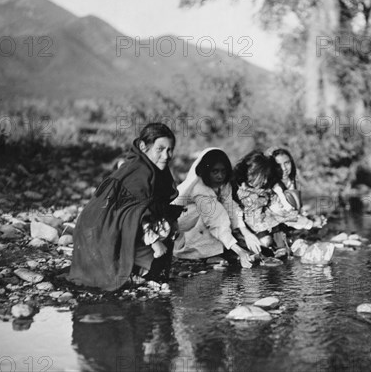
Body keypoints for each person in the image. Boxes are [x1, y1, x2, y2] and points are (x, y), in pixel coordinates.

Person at [68, 123, 182, 291]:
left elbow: (156, 205)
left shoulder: (152, 168)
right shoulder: (139, 172)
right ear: (143, 147)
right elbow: (134, 212)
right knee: (159, 248)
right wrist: (155, 242)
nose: (166, 156)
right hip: (99, 233)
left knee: (167, 227)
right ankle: (132, 266)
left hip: (112, 227)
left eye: (170, 149)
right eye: (160, 149)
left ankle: (138, 265)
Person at [173, 148, 256, 268]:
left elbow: (230, 206)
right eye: (215, 171)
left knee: (225, 208)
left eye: (223, 171)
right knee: (210, 211)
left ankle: (221, 248)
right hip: (182, 226)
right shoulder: (199, 187)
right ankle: (198, 253)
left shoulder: (223, 184)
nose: (220, 176)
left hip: (209, 221)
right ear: (206, 171)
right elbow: (216, 219)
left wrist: (246, 233)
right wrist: (240, 252)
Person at [234, 151, 315, 256]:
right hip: (248, 228)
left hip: (264, 224)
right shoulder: (240, 192)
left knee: (274, 229)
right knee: (266, 240)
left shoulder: (268, 190)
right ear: (250, 174)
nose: (264, 181)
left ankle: (279, 247)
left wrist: (305, 221)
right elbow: (237, 214)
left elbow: (278, 211)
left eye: (266, 177)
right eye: (262, 177)